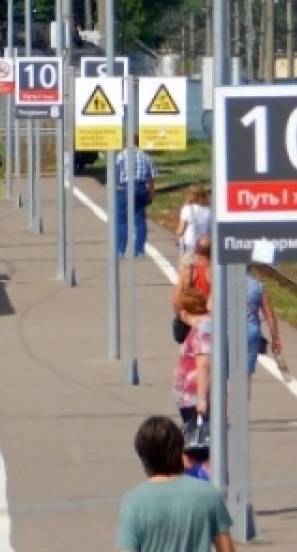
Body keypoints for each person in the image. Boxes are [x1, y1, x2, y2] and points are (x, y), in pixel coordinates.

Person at [115, 416, 234, 552]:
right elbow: (227, 549)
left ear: (143, 456)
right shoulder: (207, 494)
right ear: (179, 450)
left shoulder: (134, 501)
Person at [174, 287, 213, 427]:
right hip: (192, 397)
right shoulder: (204, 326)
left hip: (195, 398)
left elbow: (204, 365)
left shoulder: (202, 330)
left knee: (197, 443)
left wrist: (202, 400)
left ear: (184, 313)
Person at [115, 134, 157, 257]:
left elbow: (115, 173)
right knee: (139, 220)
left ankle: (120, 250)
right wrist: (150, 194)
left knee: (122, 220)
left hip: (125, 188)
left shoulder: (121, 156)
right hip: (140, 188)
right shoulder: (145, 156)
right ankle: (139, 250)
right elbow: (152, 177)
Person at [247, 269, 283, 396]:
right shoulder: (257, 286)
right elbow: (269, 315)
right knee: (246, 377)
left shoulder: (223, 283)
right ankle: (241, 411)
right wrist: (275, 338)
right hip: (250, 331)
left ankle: (227, 411)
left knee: (224, 375)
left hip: (227, 330)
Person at [176, 184, 212, 267]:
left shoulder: (187, 209)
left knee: (186, 268)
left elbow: (181, 230)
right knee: (201, 267)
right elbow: (210, 230)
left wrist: (178, 238)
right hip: (203, 245)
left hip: (188, 244)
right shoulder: (208, 210)